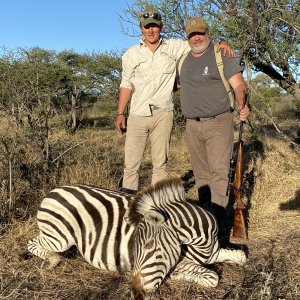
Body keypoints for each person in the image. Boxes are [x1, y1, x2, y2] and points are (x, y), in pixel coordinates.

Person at [115, 9, 234, 195]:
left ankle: (156, 207)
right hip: (137, 113)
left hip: (163, 113)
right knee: (131, 165)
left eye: (154, 25)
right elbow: (126, 84)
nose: (151, 30)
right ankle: (125, 206)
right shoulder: (130, 54)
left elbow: (200, 42)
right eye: (147, 27)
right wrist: (121, 112)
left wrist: (222, 43)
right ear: (141, 29)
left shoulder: (175, 46)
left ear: (161, 27)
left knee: (160, 164)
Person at [178, 17, 250, 242]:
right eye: (191, 35)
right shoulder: (182, 60)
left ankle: (218, 226)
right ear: (187, 37)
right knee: (201, 174)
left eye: (200, 33)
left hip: (219, 122)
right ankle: (204, 220)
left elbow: (239, 84)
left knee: (219, 173)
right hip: (192, 124)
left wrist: (243, 105)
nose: (196, 38)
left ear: (208, 33)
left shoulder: (222, 54)